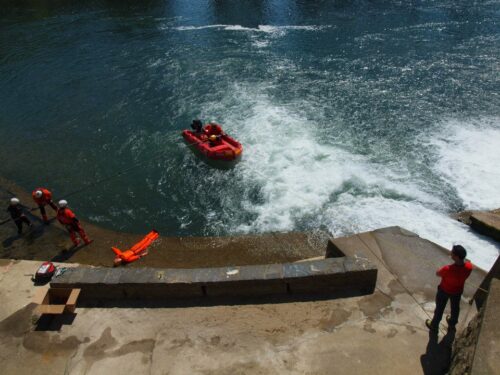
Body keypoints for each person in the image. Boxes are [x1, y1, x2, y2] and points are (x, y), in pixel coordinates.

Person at [426, 245, 473, 332]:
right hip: (457, 291)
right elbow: (467, 264)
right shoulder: (469, 267)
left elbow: (438, 274)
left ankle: (434, 325)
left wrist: (439, 270)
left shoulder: (447, 269)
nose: (450, 253)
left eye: (452, 253)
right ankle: (452, 324)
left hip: (444, 290)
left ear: (457, 257)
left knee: (439, 309)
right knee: (455, 308)